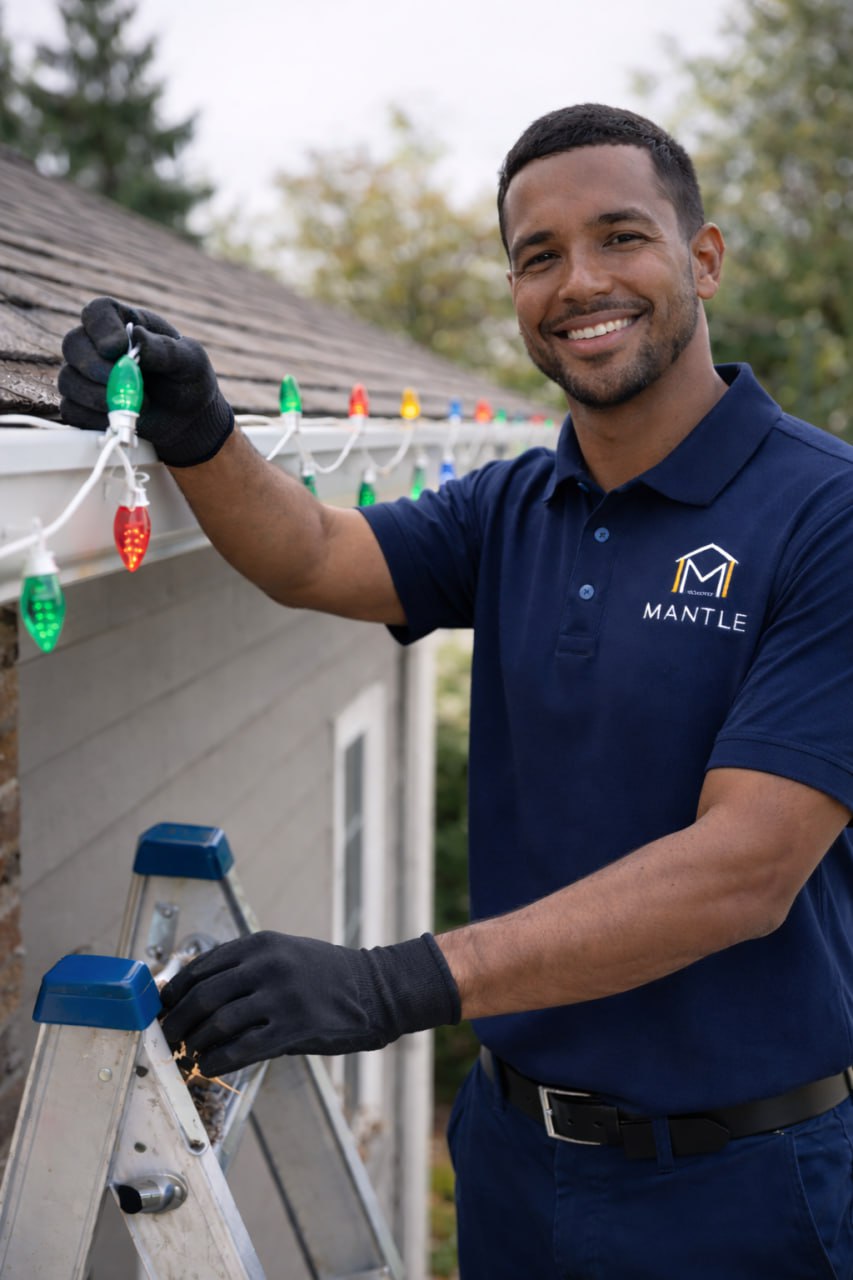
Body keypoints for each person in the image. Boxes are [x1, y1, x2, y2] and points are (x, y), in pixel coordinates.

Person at [58, 104, 853, 1279]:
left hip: (741, 1187)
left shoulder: (823, 512)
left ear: (703, 258)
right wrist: (197, 429)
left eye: (619, 237)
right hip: (513, 1161)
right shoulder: (516, 506)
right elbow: (316, 555)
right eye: (537, 255)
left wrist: (392, 982)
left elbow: (745, 867)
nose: (578, 281)